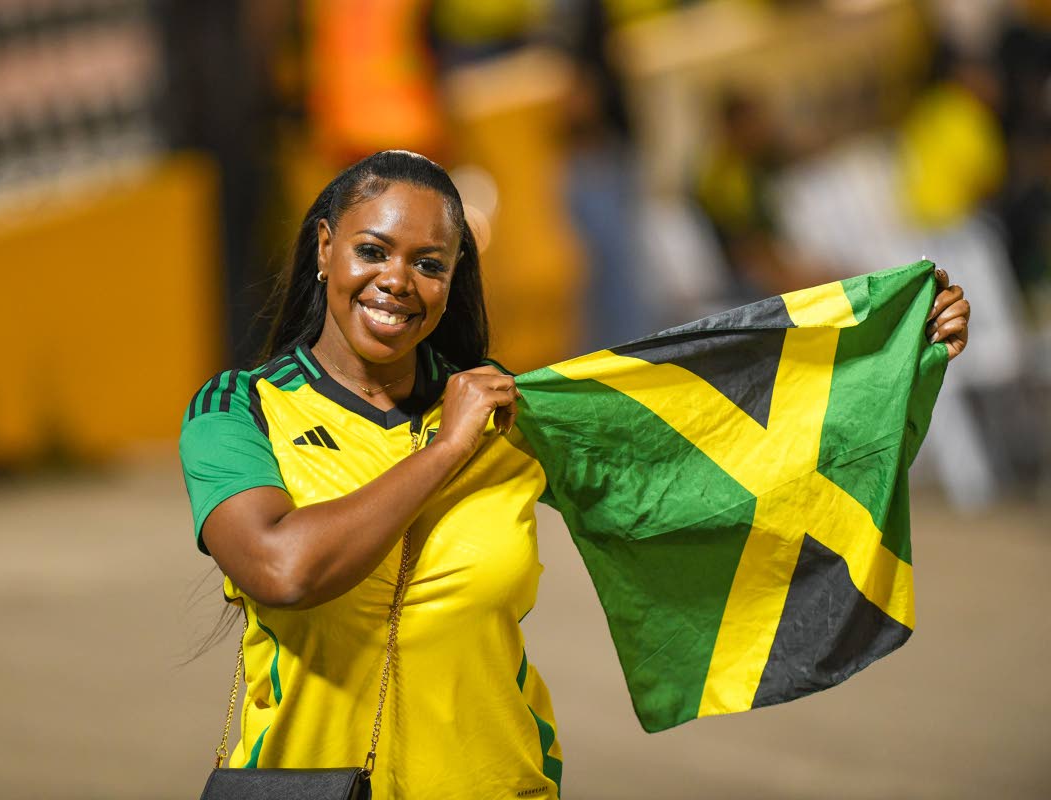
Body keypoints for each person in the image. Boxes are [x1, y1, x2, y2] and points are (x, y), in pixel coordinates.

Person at [178, 150, 971, 800]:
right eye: (372, 250)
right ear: (324, 248)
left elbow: (716, 457)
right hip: (307, 786)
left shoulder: (503, 410)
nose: (397, 281)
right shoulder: (239, 410)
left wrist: (894, 356)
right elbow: (284, 567)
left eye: (430, 263)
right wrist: (444, 451)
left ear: (455, 278)